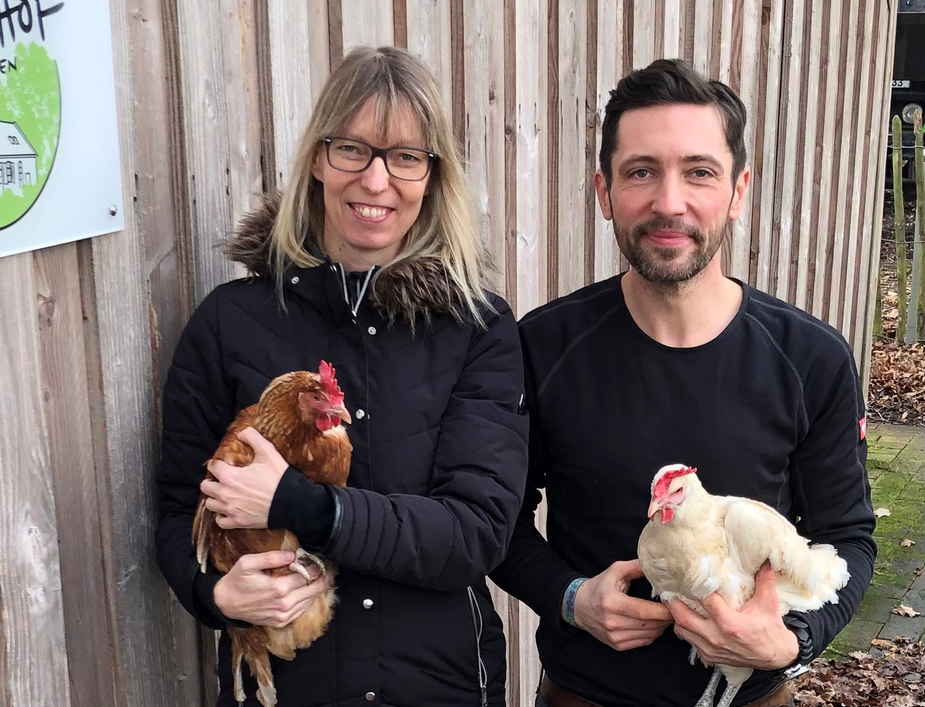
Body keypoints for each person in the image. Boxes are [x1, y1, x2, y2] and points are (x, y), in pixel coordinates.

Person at [489, 59, 877, 707]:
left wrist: (793, 640)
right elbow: (496, 518)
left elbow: (848, 536)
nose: (669, 202)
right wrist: (568, 596)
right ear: (605, 191)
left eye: (699, 171)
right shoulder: (543, 347)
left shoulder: (811, 358)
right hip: (582, 695)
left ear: (737, 190)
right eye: (641, 171)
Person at [154, 46, 529, 706]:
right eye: (352, 149)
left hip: (437, 687)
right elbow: (178, 507)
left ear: (432, 175)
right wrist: (213, 593)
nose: (375, 181)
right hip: (285, 683)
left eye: (405, 156)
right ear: (317, 159)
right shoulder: (229, 322)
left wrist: (303, 506)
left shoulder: (477, 328)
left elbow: (474, 533)